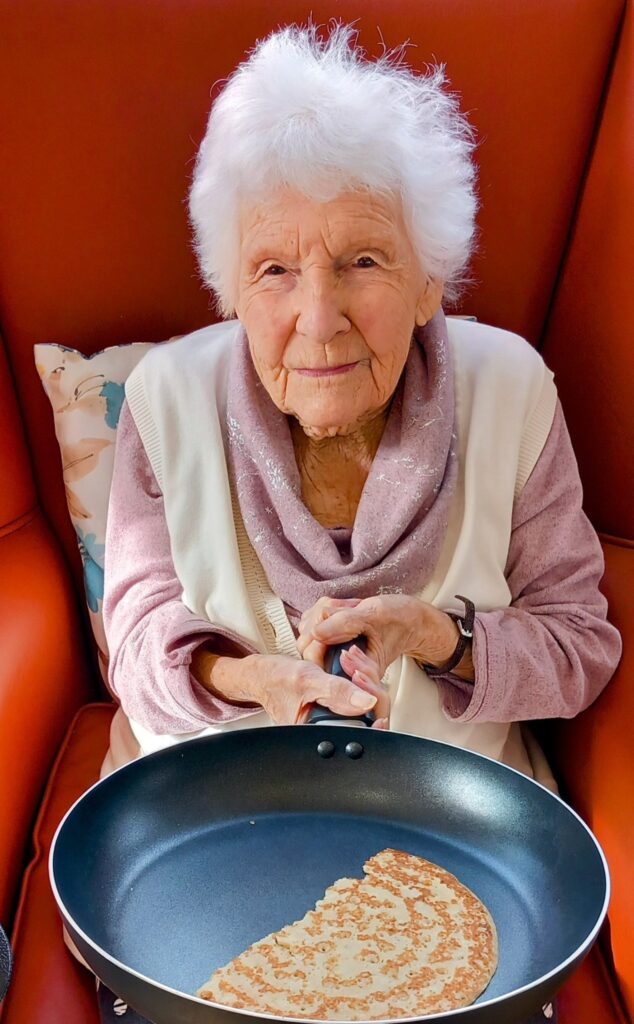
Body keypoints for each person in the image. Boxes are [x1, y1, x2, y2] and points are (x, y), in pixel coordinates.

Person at [96, 24, 621, 1024]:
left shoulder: (510, 392)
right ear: (230, 292)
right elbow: (136, 641)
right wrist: (249, 677)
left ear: (431, 279)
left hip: (460, 839)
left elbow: (581, 645)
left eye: (363, 260)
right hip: (204, 854)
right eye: (275, 272)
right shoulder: (165, 401)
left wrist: (442, 635)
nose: (320, 316)